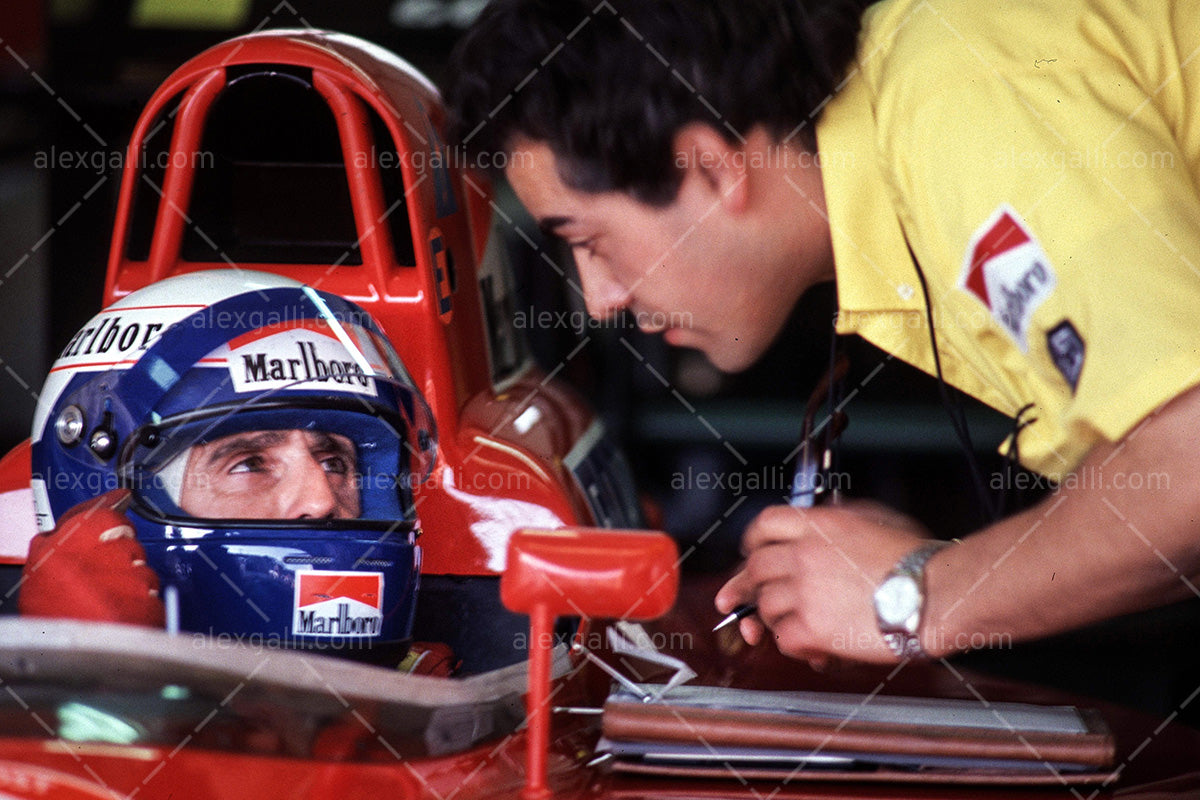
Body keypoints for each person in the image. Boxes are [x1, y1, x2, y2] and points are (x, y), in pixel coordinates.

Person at [444, 0, 1200, 667]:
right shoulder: (922, 110)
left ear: (709, 167)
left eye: (587, 239)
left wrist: (915, 597)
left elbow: (1188, 463)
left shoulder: (959, 94)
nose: (600, 298)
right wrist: (924, 568)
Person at [20, 269, 447, 669]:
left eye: (334, 461)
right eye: (250, 463)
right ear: (108, 499)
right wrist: (82, 681)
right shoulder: (26, 724)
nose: (321, 499)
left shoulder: (455, 709)